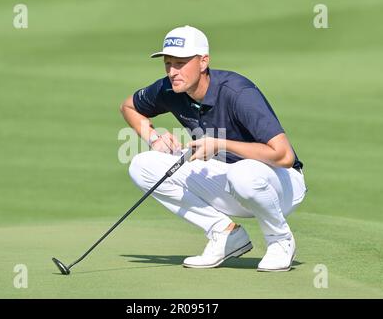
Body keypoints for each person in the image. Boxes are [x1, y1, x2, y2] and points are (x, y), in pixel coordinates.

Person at [120, 25, 307, 271]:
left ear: (203, 61)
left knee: (244, 173)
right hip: (227, 178)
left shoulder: (238, 92)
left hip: (280, 185)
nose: (173, 71)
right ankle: (225, 234)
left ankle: (280, 240)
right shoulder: (169, 88)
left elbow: (284, 156)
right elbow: (129, 107)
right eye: (168, 63)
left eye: (181, 63)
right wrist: (154, 138)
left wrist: (220, 144)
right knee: (142, 165)